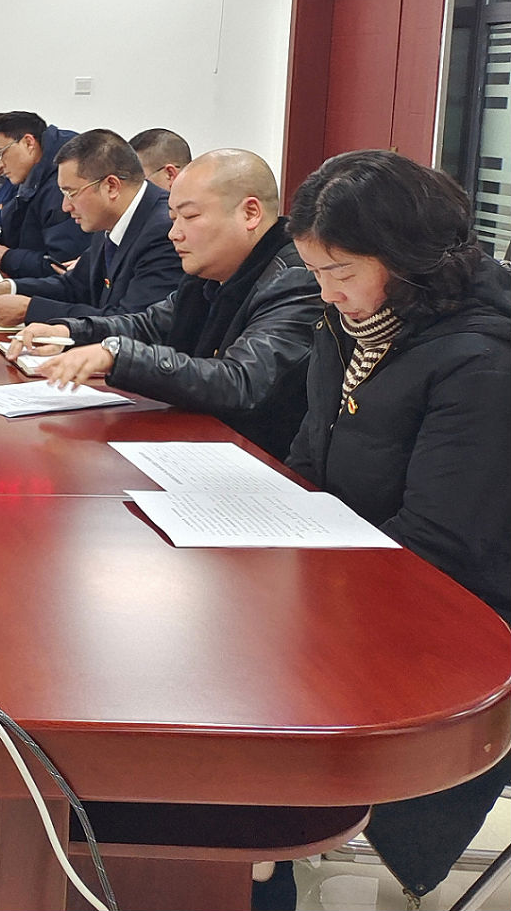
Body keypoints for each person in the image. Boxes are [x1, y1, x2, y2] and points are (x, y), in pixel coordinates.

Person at [267, 150, 511, 908]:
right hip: (361, 576)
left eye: (340, 271)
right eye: (314, 272)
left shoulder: (482, 360)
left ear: (407, 259)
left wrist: (312, 591)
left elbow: (438, 545)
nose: (326, 292)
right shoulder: (354, 324)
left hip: (456, 611)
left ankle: (264, 842)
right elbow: (310, 456)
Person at [10, 149, 318, 458]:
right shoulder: (209, 273)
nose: (174, 233)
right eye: (172, 218)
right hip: (203, 443)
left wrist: (117, 356)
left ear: (250, 214)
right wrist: (69, 332)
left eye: (190, 217)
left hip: (256, 462)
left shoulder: (296, 278)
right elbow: (150, 326)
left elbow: (241, 382)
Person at [0, 129, 184, 326]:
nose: (65, 207)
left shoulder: (164, 230)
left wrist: (30, 310)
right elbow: (75, 285)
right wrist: (8, 287)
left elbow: (129, 321)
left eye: (71, 193)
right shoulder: (109, 216)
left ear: (111, 187)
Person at [0, 110, 89, 278]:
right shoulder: (33, 178)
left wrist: (9, 258)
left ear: (28, 143)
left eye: (1, 153)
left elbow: (61, 265)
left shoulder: (59, 185)